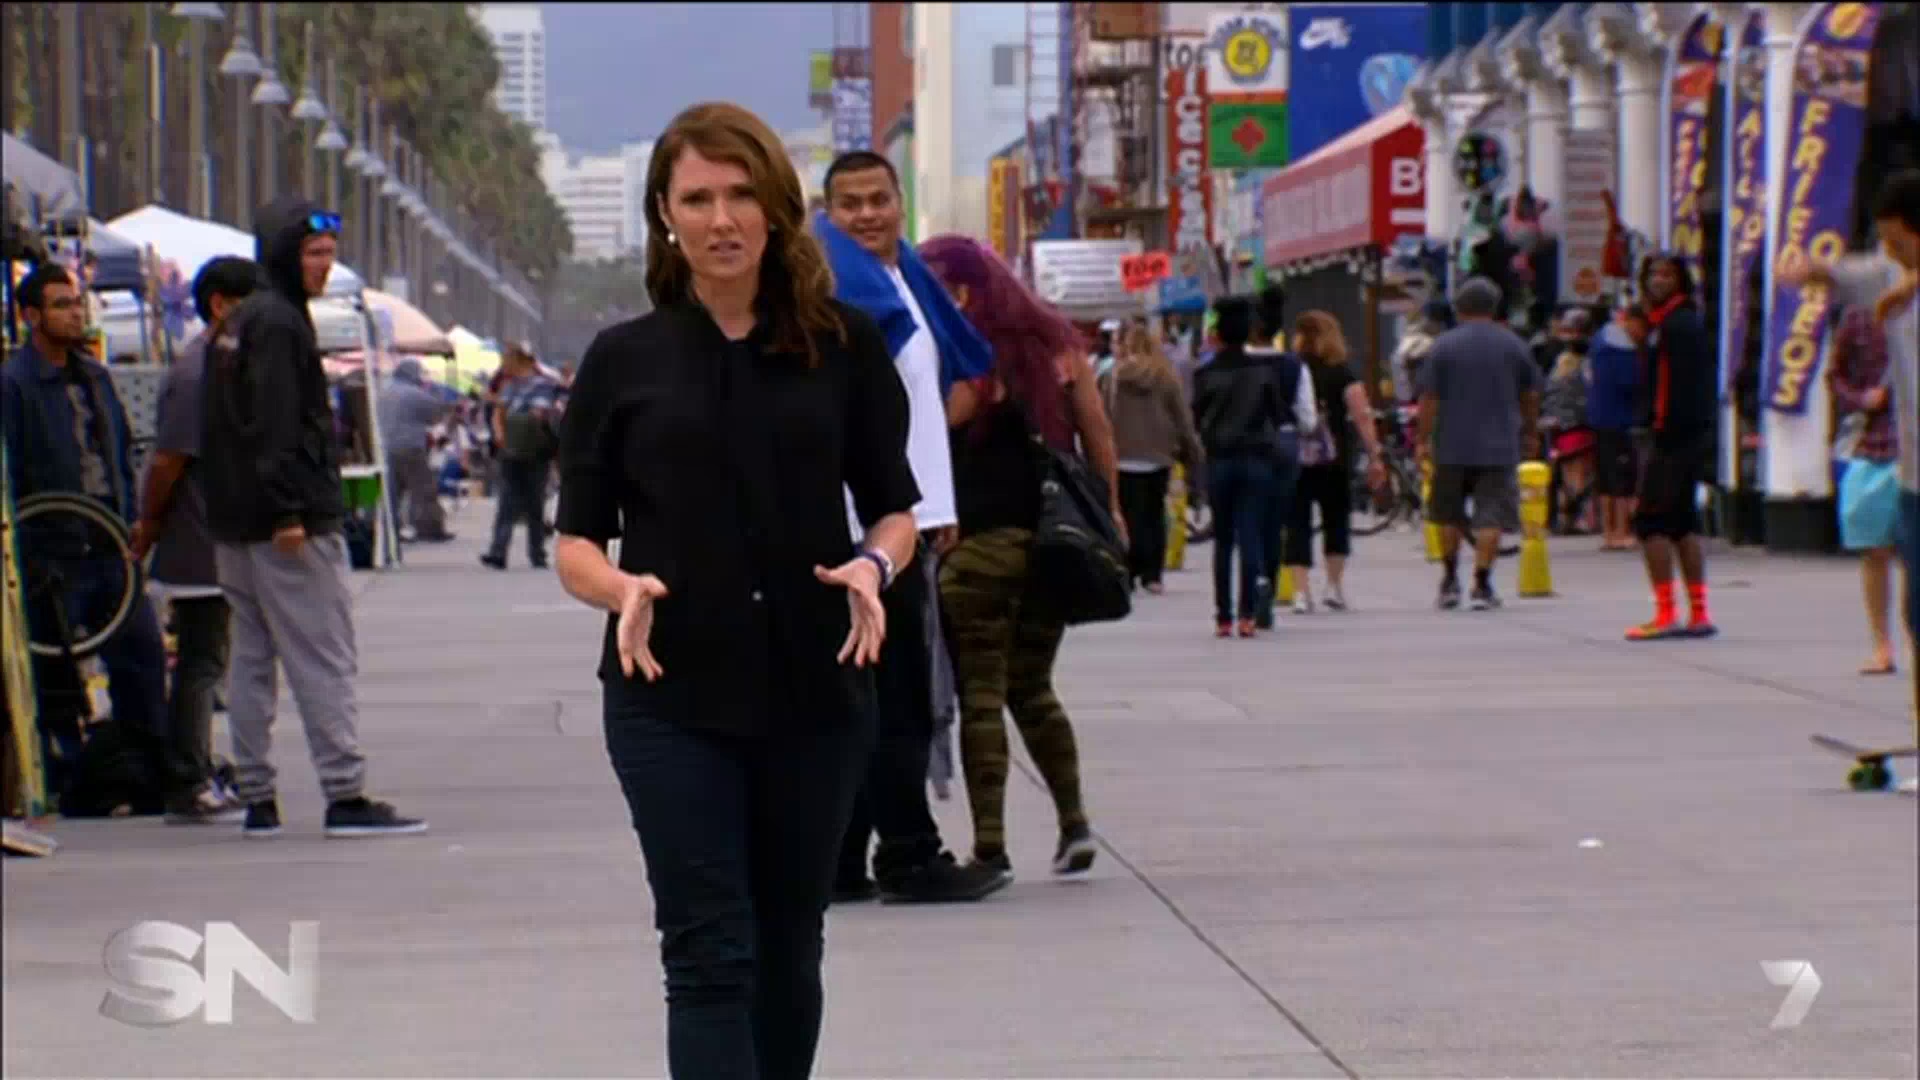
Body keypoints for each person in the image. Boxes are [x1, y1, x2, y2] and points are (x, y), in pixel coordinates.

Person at [550, 102, 920, 1080]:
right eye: (697, 198)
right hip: (668, 694)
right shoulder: (622, 360)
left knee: (791, 944)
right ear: (664, 216)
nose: (722, 219)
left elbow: (896, 510)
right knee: (709, 953)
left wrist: (874, 566)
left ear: (777, 209)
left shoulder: (844, 346)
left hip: (819, 692)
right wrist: (618, 588)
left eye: (742, 195)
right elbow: (575, 542)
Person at [198, 196, 426, 838]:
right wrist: (288, 510)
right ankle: (344, 792)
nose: (325, 265)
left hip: (237, 525)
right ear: (283, 255)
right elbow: (275, 424)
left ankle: (257, 795)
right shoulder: (280, 323)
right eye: (314, 253)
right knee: (323, 655)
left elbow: (225, 425)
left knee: (251, 660)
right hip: (286, 526)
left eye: (329, 253)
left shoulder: (239, 323)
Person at [815, 149, 1007, 905]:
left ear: (901, 202)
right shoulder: (837, 292)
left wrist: (938, 507)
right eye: (850, 203)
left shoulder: (903, 282)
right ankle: (907, 853)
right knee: (895, 698)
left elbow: (927, 405)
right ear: (828, 213)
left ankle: (842, 859)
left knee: (874, 696)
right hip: (865, 529)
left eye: (878, 199)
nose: (866, 214)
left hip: (907, 517)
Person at [918, 233, 1113, 878]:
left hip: (978, 544)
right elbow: (1097, 433)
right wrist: (1110, 511)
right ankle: (1074, 823)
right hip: (1051, 545)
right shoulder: (1057, 348)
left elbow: (933, 428)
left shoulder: (967, 352)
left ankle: (991, 847)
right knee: (1031, 687)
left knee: (981, 696)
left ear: (957, 287)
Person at [2, 263, 184, 808]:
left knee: (142, 655)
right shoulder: (14, 384)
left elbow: (120, 451)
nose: (74, 313)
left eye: (76, 303)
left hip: (109, 546)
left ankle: (149, 771)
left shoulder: (95, 377)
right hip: (50, 552)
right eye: (60, 305)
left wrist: (134, 518)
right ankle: (64, 774)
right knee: (54, 669)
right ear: (31, 316)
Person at [130, 256, 264, 824]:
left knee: (212, 659)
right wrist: (149, 525)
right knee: (201, 661)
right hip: (198, 539)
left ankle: (198, 768)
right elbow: (168, 460)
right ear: (219, 305)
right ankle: (187, 780)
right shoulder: (195, 374)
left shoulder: (227, 365)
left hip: (224, 533)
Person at [1779, 168, 1919, 700]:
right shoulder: (1887, 274)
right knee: (1914, 606)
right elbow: (1841, 274)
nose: (1892, 254)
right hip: (1911, 471)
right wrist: (1807, 268)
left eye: (1900, 242)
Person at [1413, 277, 1541, 611]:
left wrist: (1422, 439)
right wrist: (1530, 431)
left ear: (1459, 307)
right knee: (1491, 516)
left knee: (1448, 513)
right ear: (1495, 307)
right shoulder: (1514, 345)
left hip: (1450, 444)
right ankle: (1482, 583)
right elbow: (1530, 395)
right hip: (1499, 445)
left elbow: (1429, 398)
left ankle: (1449, 581)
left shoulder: (1442, 346)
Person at [1621, 254, 1719, 640]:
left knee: (1651, 522)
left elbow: (1667, 386)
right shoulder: (1679, 321)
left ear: (1680, 281)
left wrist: (1658, 429)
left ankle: (1665, 613)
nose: (1658, 281)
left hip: (1671, 437)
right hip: (1688, 436)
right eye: (1653, 275)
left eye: (1666, 275)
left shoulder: (1673, 326)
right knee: (1682, 523)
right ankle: (1699, 611)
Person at [1191, 296, 1293, 636]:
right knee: (1250, 534)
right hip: (1257, 460)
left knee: (1223, 539)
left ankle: (1223, 616)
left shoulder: (1205, 374)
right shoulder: (1263, 373)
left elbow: (1196, 418)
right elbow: (1279, 416)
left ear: (1218, 334)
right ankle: (1248, 615)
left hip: (1220, 461)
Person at [1281, 311, 1387, 614]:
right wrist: (1374, 455)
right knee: (1336, 520)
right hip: (1334, 457)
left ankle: (1301, 592)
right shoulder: (1342, 373)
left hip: (1297, 457)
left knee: (1296, 521)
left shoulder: (1289, 370)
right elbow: (1362, 415)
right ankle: (1333, 586)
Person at [1102, 322, 1204, 594]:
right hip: (1158, 455)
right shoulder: (1166, 376)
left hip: (1122, 454)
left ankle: (1129, 568)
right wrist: (1192, 450)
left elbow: (1103, 415)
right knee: (1154, 513)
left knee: (1127, 513)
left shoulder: (1113, 376)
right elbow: (1181, 417)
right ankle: (1153, 575)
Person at [1828, 306, 1902, 675]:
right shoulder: (1859, 315)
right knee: (1873, 547)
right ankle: (1882, 644)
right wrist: (1860, 399)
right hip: (1875, 444)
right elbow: (1835, 375)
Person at [481, 343, 559, 570]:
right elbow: (499, 412)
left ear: (520, 361)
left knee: (534, 504)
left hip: (535, 452)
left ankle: (537, 553)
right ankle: (498, 552)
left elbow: (542, 414)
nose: (504, 365)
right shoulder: (510, 386)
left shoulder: (545, 385)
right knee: (507, 502)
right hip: (511, 451)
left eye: (507, 360)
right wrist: (500, 435)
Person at [1586, 303, 1644, 550]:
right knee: (1622, 478)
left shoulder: (1600, 339)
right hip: (1619, 418)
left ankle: (1609, 531)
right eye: (1642, 327)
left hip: (1599, 416)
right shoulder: (1622, 349)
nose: (1642, 334)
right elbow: (1630, 383)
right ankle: (1621, 531)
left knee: (1605, 477)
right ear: (1631, 321)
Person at [378, 357, 455, 543]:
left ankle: (390, 532)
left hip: (385, 447)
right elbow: (436, 415)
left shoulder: (382, 392)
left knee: (391, 493)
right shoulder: (415, 393)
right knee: (424, 489)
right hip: (410, 447)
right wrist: (434, 392)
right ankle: (430, 529)